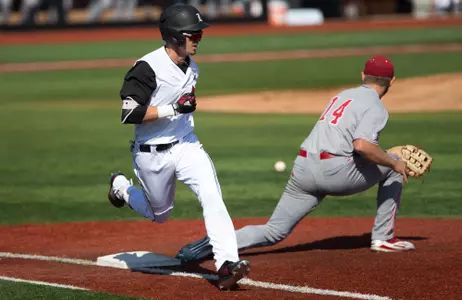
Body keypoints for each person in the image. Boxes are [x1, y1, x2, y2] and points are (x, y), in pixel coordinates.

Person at [176, 55, 416, 263]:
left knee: (274, 231)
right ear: (391, 82)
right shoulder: (376, 107)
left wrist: (381, 157)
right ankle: (383, 238)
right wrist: (392, 161)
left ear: (363, 75)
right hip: (335, 172)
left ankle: (209, 245)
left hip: (303, 168)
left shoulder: (343, 95)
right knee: (396, 163)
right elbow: (362, 145)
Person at [107, 3, 250, 290]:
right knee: (159, 215)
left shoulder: (191, 67)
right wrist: (172, 108)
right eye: (193, 34)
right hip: (151, 153)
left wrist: (178, 112)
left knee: (212, 195)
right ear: (174, 36)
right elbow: (128, 113)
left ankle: (226, 264)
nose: (199, 38)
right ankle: (121, 187)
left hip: (186, 145)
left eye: (199, 34)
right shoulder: (147, 68)